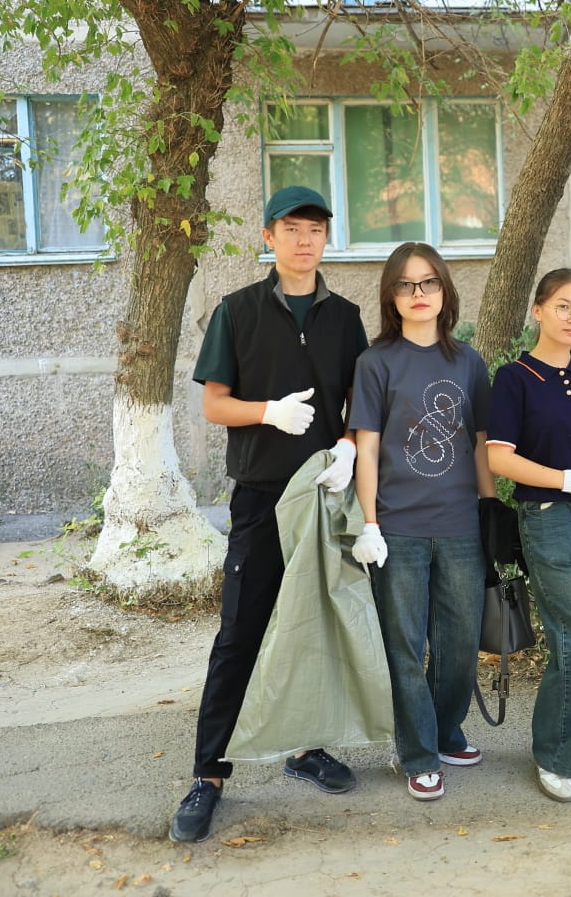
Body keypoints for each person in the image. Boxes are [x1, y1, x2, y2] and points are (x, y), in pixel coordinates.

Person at [170, 186, 369, 843]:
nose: (303, 239)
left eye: (315, 227)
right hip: (260, 498)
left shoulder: (345, 317)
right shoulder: (238, 311)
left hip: (321, 498)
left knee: (310, 627)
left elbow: (357, 406)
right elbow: (214, 406)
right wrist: (268, 411)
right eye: (291, 227)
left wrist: (344, 450)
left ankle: (304, 749)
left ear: (325, 239)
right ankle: (209, 774)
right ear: (268, 237)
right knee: (240, 634)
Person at [348, 242, 495, 802]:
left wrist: (487, 510)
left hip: (459, 524)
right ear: (391, 294)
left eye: (428, 283)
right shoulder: (375, 363)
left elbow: (481, 445)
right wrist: (370, 522)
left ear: (444, 292)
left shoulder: (469, 362)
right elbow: (367, 448)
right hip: (398, 528)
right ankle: (418, 751)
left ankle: (446, 727)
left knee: (458, 643)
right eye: (406, 285)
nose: (418, 294)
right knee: (405, 645)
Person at [486, 269, 571, 804]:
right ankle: (555, 753)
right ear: (539, 310)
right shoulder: (515, 378)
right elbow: (499, 457)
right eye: (563, 306)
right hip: (548, 517)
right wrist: (568, 478)